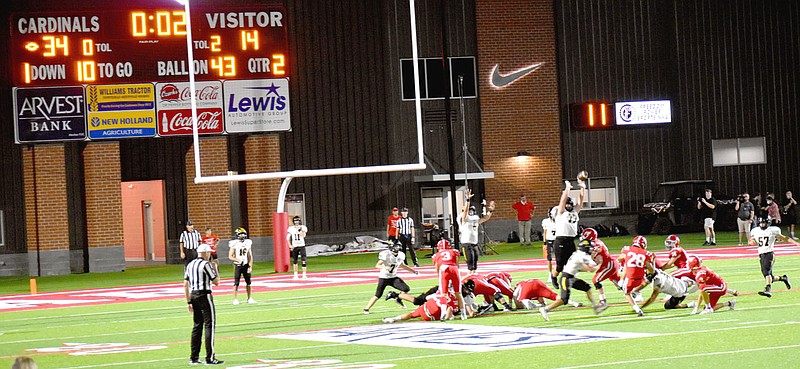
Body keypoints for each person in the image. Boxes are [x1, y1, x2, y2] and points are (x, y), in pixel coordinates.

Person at [539, 239, 603, 321]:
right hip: (566, 278)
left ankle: (595, 307)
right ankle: (545, 309)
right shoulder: (582, 255)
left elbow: (580, 268)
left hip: (570, 277)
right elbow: (590, 269)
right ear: (586, 248)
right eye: (590, 247)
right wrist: (599, 264)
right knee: (564, 299)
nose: (592, 249)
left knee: (587, 288)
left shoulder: (578, 254)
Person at [184, 243, 223, 365]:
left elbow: (185, 284)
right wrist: (216, 269)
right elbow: (216, 282)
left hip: (193, 295)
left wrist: (188, 301)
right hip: (204, 295)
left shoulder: (190, 265)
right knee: (209, 325)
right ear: (206, 253)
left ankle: (194, 357)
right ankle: (210, 357)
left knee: (197, 326)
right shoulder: (206, 264)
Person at [363, 241, 419, 314]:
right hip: (384, 277)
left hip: (393, 277)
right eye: (396, 246)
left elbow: (402, 265)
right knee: (378, 295)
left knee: (405, 288)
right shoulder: (386, 254)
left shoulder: (401, 255)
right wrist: (385, 267)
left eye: (398, 246)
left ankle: (397, 298)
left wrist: (413, 271)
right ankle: (366, 309)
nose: (398, 248)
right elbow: (377, 265)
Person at [749, 216, 796, 298]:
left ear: (768, 223)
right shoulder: (755, 230)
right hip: (761, 254)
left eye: (764, 223)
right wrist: (751, 240)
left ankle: (768, 290)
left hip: (769, 253)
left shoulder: (773, 230)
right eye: (761, 223)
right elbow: (751, 238)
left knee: (766, 272)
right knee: (769, 276)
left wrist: (795, 243)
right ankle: (783, 278)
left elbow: (784, 238)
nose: (762, 225)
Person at [553, 179, 586, 283]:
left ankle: (567, 280)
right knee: (559, 266)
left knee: (571, 263)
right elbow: (562, 201)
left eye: (570, 204)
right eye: (567, 204)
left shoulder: (575, 211)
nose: (568, 206)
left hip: (570, 240)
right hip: (560, 240)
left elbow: (580, 201)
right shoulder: (561, 212)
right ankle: (554, 277)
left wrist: (582, 188)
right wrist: (567, 188)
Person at [458, 189, 495, 275]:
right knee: (470, 262)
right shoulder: (463, 219)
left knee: (475, 262)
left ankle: (474, 277)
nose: (470, 212)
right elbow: (465, 212)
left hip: (474, 243)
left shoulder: (474, 219)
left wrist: (491, 211)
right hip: (466, 243)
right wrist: (468, 200)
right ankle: (469, 277)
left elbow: (485, 218)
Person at [583, 228, 621, 307]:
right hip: (608, 265)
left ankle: (603, 301)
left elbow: (597, 249)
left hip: (608, 264)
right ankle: (635, 293)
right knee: (620, 284)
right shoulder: (592, 243)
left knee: (596, 280)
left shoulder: (596, 243)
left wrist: (590, 252)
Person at [617, 236, 654, 316]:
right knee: (648, 277)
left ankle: (637, 309)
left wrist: (622, 264)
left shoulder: (626, 249)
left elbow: (620, 258)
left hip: (630, 278)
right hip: (641, 279)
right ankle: (637, 292)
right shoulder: (646, 253)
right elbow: (650, 268)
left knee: (626, 293)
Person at [431, 238, 467, 320]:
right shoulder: (454, 251)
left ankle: (443, 312)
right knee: (458, 293)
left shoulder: (436, 255)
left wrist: (439, 275)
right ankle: (463, 314)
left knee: (444, 294)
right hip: (454, 269)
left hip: (444, 269)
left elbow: (437, 267)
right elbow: (457, 264)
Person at [228, 227, 255, 305]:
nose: (242, 235)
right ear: (237, 235)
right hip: (238, 265)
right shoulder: (234, 243)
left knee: (249, 282)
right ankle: (235, 299)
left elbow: (250, 255)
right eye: (240, 234)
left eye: (243, 234)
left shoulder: (248, 242)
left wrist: (250, 266)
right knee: (236, 283)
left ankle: (249, 298)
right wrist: (237, 260)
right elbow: (230, 256)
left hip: (246, 264)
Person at [541, 206, 558, 288]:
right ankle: (550, 274)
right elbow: (545, 232)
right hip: (549, 240)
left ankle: (557, 274)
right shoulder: (546, 221)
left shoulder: (559, 221)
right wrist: (544, 243)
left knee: (559, 258)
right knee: (549, 259)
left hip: (557, 241)